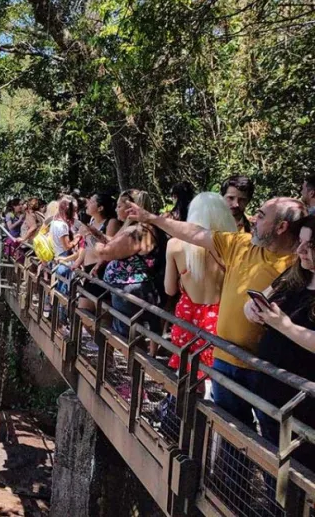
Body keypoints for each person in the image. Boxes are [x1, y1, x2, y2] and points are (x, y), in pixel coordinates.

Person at [126, 195, 303, 428]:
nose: (254, 218)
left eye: (261, 216)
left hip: (266, 369)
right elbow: (194, 233)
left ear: (281, 227)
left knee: (270, 436)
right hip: (225, 358)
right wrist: (152, 218)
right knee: (229, 429)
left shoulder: (301, 264)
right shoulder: (241, 244)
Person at [245, 215, 315, 469]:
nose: (300, 250)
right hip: (271, 391)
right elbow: (258, 300)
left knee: (299, 468)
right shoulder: (295, 275)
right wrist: (252, 310)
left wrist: (284, 326)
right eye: (301, 242)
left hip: (304, 405)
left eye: (310, 246)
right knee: (272, 461)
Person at [163, 192, 237, 378]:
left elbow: (169, 289)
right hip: (220, 317)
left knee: (187, 373)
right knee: (214, 373)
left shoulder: (175, 245)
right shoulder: (233, 247)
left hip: (186, 316)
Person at [95, 190, 161, 338]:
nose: (116, 209)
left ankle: (129, 360)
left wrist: (94, 245)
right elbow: (114, 243)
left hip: (130, 291)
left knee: (125, 337)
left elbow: (107, 252)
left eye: (119, 206)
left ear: (131, 208)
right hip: (131, 290)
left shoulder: (137, 231)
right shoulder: (139, 229)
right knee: (128, 335)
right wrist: (95, 233)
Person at [74, 192, 122, 313]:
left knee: (99, 313)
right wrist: (78, 262)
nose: (87, 204)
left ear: (100, 208)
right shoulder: (91, 221)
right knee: (83, 312)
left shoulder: (111, 223)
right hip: (88, 269)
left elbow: (110, 247)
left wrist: (98, 265)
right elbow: (86, 246)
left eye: (91, 201)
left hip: (101, 270)